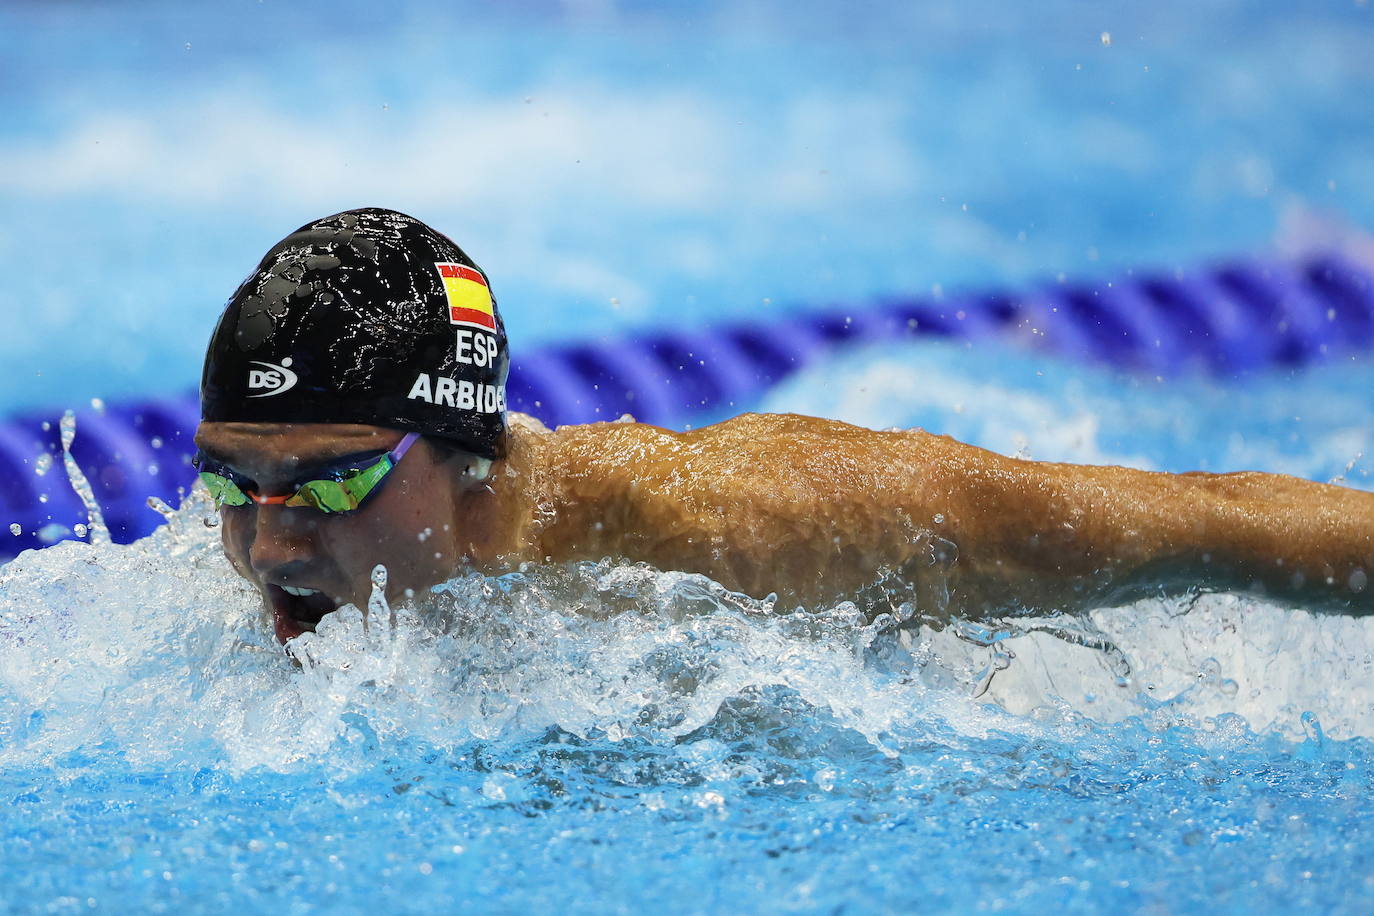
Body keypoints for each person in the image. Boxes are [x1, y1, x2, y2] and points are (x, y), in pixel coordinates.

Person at [195, 208, 1374, 646]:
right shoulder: (246, 580)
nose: (271, 544)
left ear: (469, 464)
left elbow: (1205, 521)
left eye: (333, 483)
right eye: (231, 483)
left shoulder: (750, 526)